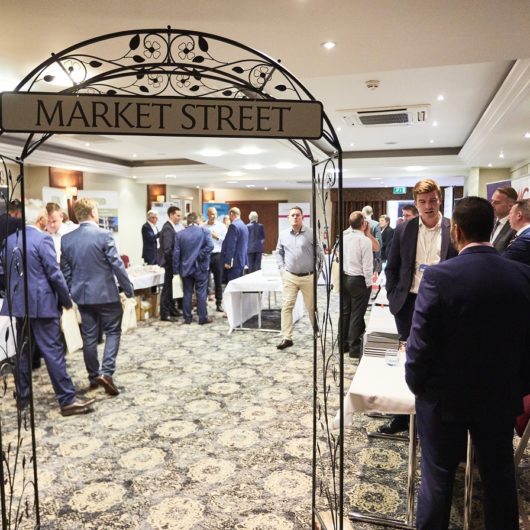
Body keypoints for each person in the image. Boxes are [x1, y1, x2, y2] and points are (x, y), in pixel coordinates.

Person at [406, 196, 530, 530]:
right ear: (491, 228)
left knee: (438, 478)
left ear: (456, 231)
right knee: (499, 477)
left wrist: (417, 386)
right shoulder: (522, 275)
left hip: (444, 398)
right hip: (500, 395)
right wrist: (518, 387)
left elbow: (420, 344)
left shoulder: (438, 277)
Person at [1, 200, 95, 416]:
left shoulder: (9, 240)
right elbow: (55, 274)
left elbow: (3, 272)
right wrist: (66, 300)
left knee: (22, 353)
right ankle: (67, 400)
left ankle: (23, 398)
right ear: (40, 218)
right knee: (53, 352)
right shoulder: (42, 239)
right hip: (42, 305)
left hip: (19, 306)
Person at [381, 178, 457, 435]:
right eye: (422, 202)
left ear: (440, 200)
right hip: (409, 302)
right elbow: (392, 266)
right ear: (416, 203)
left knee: (439, 358)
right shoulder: (405, 229)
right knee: (408, 360)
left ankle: (435, 415)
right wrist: (394, 296)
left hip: (442, 304)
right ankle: (402, 416)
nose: (428, 206)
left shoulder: (453, 229)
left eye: (432, 200)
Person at [61, 198, 134, 396]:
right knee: (113, 331)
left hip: (83, 296)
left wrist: (73, 290)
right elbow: (117, 264)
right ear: (93, 213)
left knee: (89, 337)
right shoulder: (104, 235)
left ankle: (94, 377)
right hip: (106, 294)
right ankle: (107, 373)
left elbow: (65, 271)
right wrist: (128, 289)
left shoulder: (67, 239)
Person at [275, 206, 323, 350]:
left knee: (311, 307)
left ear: (302, 217)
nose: (295, 217)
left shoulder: (311, 233)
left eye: (297, 215)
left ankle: (316, 330)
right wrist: (282, 269)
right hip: (290, 276)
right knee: (287, 306)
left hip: (308, 277)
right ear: (288, 218)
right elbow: (279, 252)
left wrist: (318, 273)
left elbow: (320, 254)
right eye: (292, 215)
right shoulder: (283, 234)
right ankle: (286, 337)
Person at [340, 211, 373, 358]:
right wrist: (369, 284)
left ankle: (342, 345)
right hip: (359, 280)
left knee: (345, 312)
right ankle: (354, 348)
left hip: (344, 277)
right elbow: (367, 266)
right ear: (364, 224)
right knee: (357, 315)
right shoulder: (364, 240)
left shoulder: (344, 237)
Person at [173, 212, 214, 325]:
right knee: (201, 293)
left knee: (187, 292)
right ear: (197, 221)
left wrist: (175, 270)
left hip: (185, 267)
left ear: (187, 221)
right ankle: (202, 318)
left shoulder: (180, 234)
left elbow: (176, 254)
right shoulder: (204, 231)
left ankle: (187, 318)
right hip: (201, 267)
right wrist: (200, 255)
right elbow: (210, 246)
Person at [158, 206, 182, 321]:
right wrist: (175, 261)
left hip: (171, 263)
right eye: (178, 215)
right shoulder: (168, 228)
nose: (179, 218)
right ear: (171, 215)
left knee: (172, 288)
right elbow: (168, 250)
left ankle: (172, 309)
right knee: (167, 289)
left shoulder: (171, 227)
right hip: (169, 264)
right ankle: (165, 313)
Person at [202, 207, 227, 312]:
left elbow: (226, 241)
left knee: (218, 281)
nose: (214, 216)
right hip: (206, 255)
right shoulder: (202, 226)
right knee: (204, 280)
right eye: (211, 214)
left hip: (217, 255)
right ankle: (203, 304)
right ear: (207, 214)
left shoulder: (222, 226)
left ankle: (219, 303)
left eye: (215, 214)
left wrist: (216, 237)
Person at [220, 207, 249, 282]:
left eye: (229, 215)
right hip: (242, 260)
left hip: (234, 263)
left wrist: (228, 261)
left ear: (232, 214)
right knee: (239, 284)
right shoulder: (244, 226)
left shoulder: (233, 226)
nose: (229, 218)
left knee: (232, 284)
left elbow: (231, 246)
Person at [503, 198, 530, 265]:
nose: (508, 218)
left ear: (519, 215)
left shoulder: (524, 241)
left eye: (510, 213)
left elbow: (502, 263)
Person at [490, 186, 517, 252]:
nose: (491, 205)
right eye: (492, 201)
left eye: (497, 202)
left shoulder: (515, 228)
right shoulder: (490, 222)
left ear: (510, 206)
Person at [361, 205, 382, 272]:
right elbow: (379, 243)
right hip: (372, 257)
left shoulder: (359, 223)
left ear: (363, 213)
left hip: (360, 257)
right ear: (372, 213)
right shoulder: (376, 224)